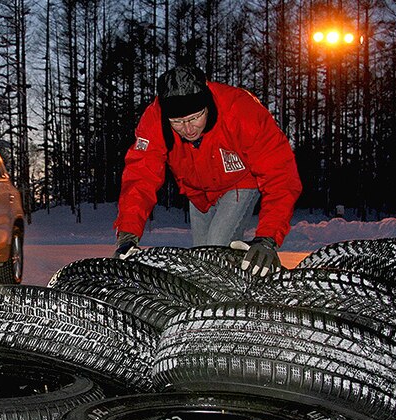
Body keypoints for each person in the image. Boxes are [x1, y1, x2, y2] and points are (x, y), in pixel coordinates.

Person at [112, 65, 303, 276]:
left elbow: (281, 175)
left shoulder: (240, 110)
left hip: (239, 183)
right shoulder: (155, 119)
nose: (188, 129)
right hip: (199, 195)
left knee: (216, 246)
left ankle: (233, 303)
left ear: (207, 106)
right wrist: (127, 234)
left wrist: (268, 238)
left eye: (195, 118)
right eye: (177, 122)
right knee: (201, 260)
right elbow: (140, 177)